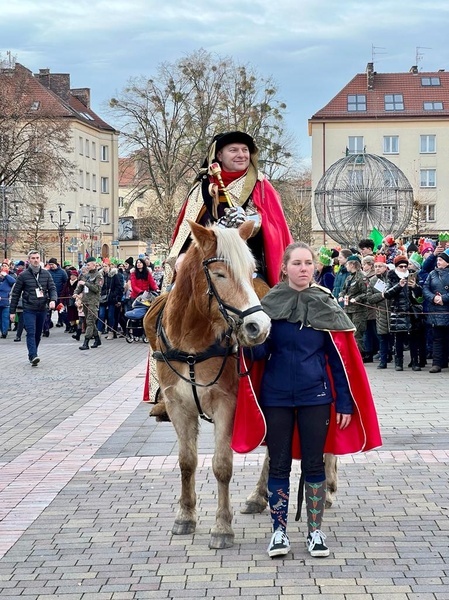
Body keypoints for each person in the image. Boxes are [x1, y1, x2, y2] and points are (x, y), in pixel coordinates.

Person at [236, 242, 381, 559]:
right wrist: (248, 337)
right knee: (279, 464)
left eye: (308, 263)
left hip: (316, 397)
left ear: (315, 267)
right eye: (296, 263)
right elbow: (260, 355)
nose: (303, 268)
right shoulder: (269, 305)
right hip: (275, 398)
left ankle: (315, 533)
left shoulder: (325, 303)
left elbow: (339, 360)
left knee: (315, 465)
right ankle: (279, 533)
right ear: (284, 267)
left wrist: (344, 403)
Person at [163, 130, 292, 289]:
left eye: (245, 150)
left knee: (264, 304)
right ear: (219, 155)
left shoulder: (261, 185)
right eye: (234, 150)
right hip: (204, 264)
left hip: (247, 265)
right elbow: (187, 231)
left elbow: (272, 226)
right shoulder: (200, 188)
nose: (242, 155)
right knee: (171, 302)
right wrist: (182, 255)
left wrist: (249, 221)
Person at [9, 250, 57, 366]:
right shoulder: (23, 275)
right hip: (29, 308)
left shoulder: (46, 274)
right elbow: (16, 293)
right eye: (33, 258)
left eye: (37, 258)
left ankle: (33, 352)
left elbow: (52, 288)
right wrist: (12, 311)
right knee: (30, 332)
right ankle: (33, 355)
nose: (35, 260)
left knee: (37, 333)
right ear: (29, 260)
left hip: (42, 308)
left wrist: (53, 300)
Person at [383, 255, 424, 371]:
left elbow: (421, 293)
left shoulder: (413, 275)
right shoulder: (391, 276)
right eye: (401, 266)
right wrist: (398, 286)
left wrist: (415, 286)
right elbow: (386, 294)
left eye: (406, 266)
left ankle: (415, 362)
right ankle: (399, 362)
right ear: (396, 266)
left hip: (411, 312)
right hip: (397, 311)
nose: (404, 268)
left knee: (414, 338)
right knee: (398, 339)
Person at [423, 249, 449, 373]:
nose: (438, 262)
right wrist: (434, 298)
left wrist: (443, 298)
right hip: (435, 310)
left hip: (447, 309)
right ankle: (437, 363)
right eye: (438, 260)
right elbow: (425, 288)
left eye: (441, 260)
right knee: (437, 339)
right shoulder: (432, 274)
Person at [366, 254, 392, 369]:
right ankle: (383, 361)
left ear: (385, 267)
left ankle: (394, 357)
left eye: (380, 266)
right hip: (380, 312)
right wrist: (381, 295)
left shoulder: (391, 277)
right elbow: (369, 298)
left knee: (394, 337)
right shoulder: (372, 281)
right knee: (382, 337)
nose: (377, 268)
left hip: (392, 311)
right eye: (375, 266)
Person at [338, 255, 367, 354]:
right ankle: (351, 354)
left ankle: (359, 355)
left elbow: (366, 292)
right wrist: (341, 295)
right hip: (348, 308)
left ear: (353, 264)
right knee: (348, 332)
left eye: (347, 264)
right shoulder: (349, 277)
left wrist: (357, 298)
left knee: (357, 333)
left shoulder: (361, 277)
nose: (346, 266)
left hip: (358, 310)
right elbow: (344, 290)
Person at [75, 257, 104, 350]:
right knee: (89, 322)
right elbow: (79, 286)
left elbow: (97, 289)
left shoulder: (98, 275)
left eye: (88, 265)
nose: (87, 266)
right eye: (86, 265)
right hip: (85, 301)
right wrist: (75, 293)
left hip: (93, 302)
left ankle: (86, 342)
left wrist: (86, 283)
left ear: (94, 265)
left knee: (90, 322)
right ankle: (97, 339)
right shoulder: (85, 275)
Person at [47, 257, 68, 329]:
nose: (51, 266)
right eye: (50, 264)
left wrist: (64, 292)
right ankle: (48, 322)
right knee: (49, 309)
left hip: (60, 293)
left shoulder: (62, 272)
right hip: (50, 294)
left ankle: (60, 321)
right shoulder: (48, 272)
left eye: (52, 264)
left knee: (61, 309)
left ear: (56, 264)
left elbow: (66, 282)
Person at [0, 264, 16, 338]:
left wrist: (6, 275)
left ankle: (4, 332)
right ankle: (2, 330)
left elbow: (14, 282)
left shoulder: (9, 278)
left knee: (5, 317)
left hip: (6, 302)